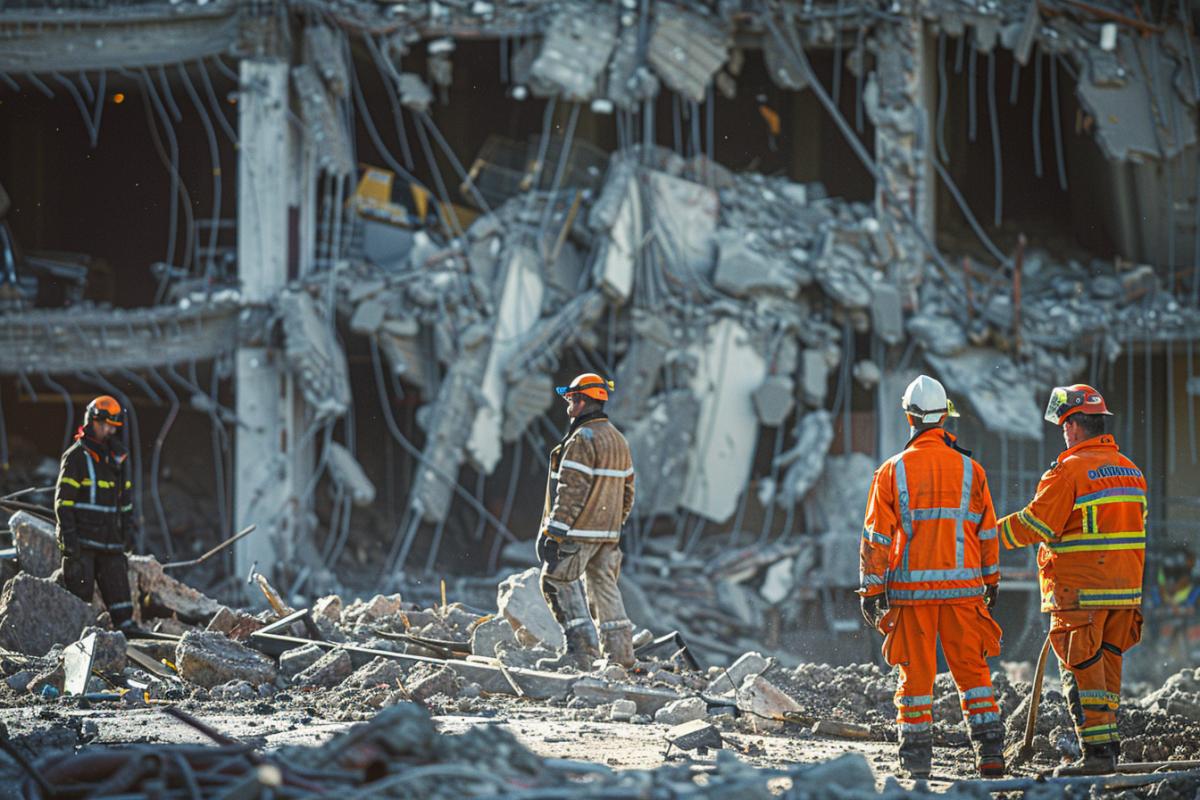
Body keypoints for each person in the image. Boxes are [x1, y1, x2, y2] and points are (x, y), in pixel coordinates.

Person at [860, 375, 1004, 779]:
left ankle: (917, 761)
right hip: (963, 592)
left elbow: (876, 538)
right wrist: (990, 581)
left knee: (915, 676)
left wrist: (871, 590)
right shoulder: (972, 470)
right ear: (944, 418)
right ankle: (990, 755)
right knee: (974, 674)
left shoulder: (891, 471)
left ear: (909, 416)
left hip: (912, 594)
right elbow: (987, 532)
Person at [998, 384, 1146, 775]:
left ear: (1076, 427)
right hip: (1124, 593)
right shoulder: (1132, 472)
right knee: (1107, 671)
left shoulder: (1068, 472)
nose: (1063, 433)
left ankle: (1096, 758)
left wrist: (984, 534)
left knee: (1082, 674)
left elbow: (1034, 524)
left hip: (1080, 594)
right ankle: (1107, 748)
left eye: (1064, 425)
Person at [536, 373, 636, 670]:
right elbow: (628, 491)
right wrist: (614, 525)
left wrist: (555, 532)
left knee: (556, 581)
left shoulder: (582, 439)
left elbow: (571, 489)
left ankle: (581, 652)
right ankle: (621, 657)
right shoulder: (618, 439)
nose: (569, 404)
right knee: (604, 587)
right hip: (608, 533)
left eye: (573, 398)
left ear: (584, 401)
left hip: (578, 530)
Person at [55, 396, 138, 633]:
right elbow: (63, 504)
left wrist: (128, 532)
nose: (110, 430)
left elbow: (125, 502)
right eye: (105, 424)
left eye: (113, 426)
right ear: (92, 421)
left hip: (110, 542)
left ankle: (130, 640)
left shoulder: (117, 460)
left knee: (123, 606)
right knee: (79, 605)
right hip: (83, 543)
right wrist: (69, 540)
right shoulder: (76, 457)